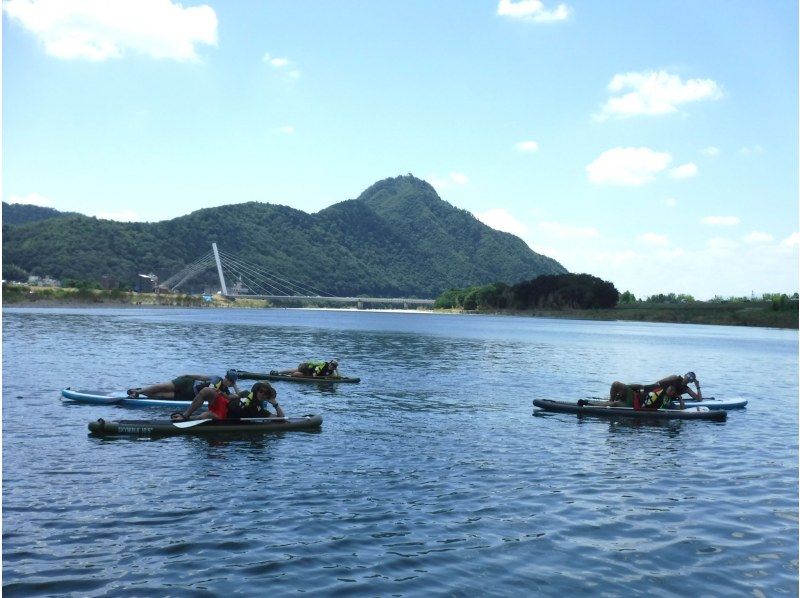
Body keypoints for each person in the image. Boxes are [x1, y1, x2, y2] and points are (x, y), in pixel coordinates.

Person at [170, 381, 283, 421]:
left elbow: (280, 419)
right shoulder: (245, 393)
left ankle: (188, 421)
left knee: (206, 415)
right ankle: (185, 415)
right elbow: (230, 398)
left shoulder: (260, 410)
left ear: (268, 396)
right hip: (224, 403)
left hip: (225, 417)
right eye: (261, 391)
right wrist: (220, 393)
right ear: (257, 390)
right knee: (206, 390)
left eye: (266, 393)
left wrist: (275, 404)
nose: (262, 394)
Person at [582, 372, 701, 410]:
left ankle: (590, 405)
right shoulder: (672, 380)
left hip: (637, 404)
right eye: (687, 375)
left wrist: (680, 399)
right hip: (639, 393)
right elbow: (656, 383)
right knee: (617, 384)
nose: (687, 378)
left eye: (690, 378)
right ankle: (614, 397)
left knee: (613, 405)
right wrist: (628, 388)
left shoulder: (668, 401)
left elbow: (683, 408)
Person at [127, 369, 240, 400]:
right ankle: (137, 391)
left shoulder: (226, 392)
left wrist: (235, 385)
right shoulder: (216, 378)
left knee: (160, 395)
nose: (226, 380)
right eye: (226, 377)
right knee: (162, 387)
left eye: (230, 380)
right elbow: (201, 377)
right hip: (187, 383)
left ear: (232, 382)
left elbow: (238, 396)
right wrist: (188, 375)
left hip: (189, 396)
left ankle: (140, 394)